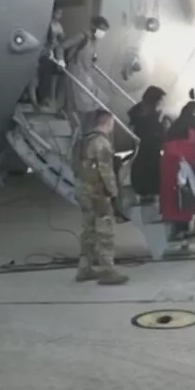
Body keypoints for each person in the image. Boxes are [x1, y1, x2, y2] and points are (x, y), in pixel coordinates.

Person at [73, 110, 129, 285]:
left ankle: (84, 268)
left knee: (88, 230)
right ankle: (107, 271)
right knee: (105, 232)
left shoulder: (85, 140)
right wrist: (113, 192)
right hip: (98, 193)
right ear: (108, 122)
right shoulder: (102, 143)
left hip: (83, 189)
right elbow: (106, 171)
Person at [161, 101, 195, 241]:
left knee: (186, 199)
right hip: (180, 169)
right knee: (181, 199)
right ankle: (180, 230)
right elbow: (172, 148)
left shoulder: (187, 127)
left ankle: (184, 229)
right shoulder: (182, 128)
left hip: (187, 168)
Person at [64, 15, 110, 131]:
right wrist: (60, 60)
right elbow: (63, 45)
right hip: (75, 71)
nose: (102, 33)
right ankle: (74, 124)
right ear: (93, 26)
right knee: (78, 101)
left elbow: (90, 58)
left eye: (104, 30)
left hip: (85, 74)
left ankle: (84, 127)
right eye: (101, 29)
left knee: (99, 99)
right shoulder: (82, 36)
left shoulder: (93, 41)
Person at [127, 86, 166, 201]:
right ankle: (150, 191)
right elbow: (154, 128)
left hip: (143, 144)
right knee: (150, 168)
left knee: (142, 166)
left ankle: (143, 191)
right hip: (150, 145)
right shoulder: (150, 114)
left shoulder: (139, 110)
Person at [31, 6, 67, 111]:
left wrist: (60, 57)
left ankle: (49, 98)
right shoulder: (47, 24)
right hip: (41, 52)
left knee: (53, 75)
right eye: (58, 12)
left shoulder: (59, 26)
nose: (59, 15)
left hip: (51, 54)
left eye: (61, 13)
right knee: (34, 79)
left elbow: (60, 41)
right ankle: (34, 101)